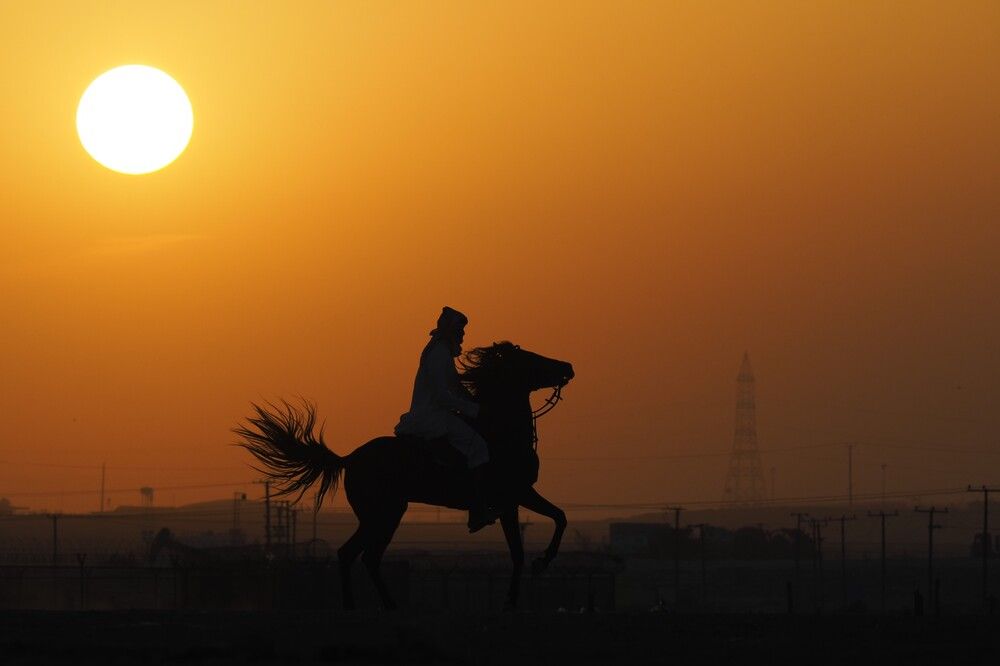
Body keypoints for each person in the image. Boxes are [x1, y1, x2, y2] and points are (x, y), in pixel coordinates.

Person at [395, 306, 498, 532]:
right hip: (432, 416)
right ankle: (477, 510)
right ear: (451, 330)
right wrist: (474, 411)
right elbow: (443, 396)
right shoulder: (439, 354)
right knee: (478, 447)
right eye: (460, 330)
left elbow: (457, 388)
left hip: (438, 414)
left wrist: (475, 404)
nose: (463, 334)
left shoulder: (442, 352)